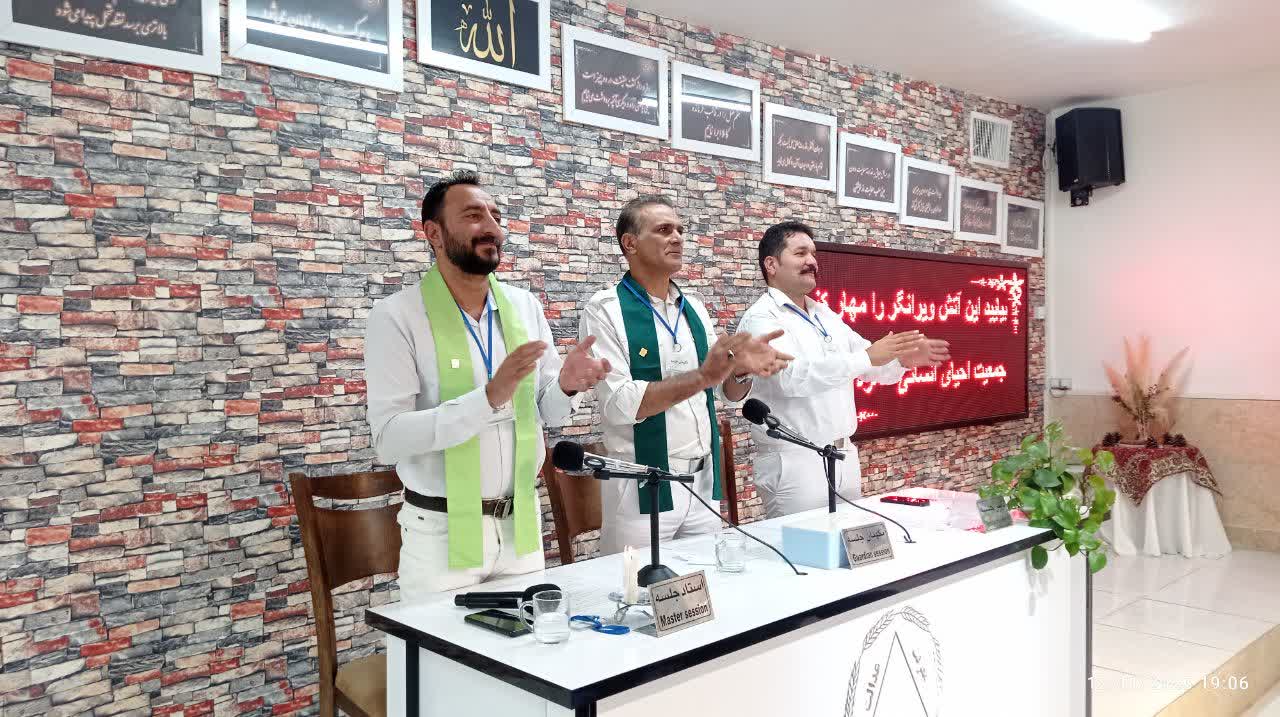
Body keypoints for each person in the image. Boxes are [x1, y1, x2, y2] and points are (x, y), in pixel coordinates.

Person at [365, 170, 611, 597]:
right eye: (474, 215)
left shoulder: (524, 306)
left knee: (529, 641)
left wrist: (566, 386)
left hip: (521, 529)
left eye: (496, 216)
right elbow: (389, 440)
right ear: (434, 233)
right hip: (440, 538)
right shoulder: (397, 316)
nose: (493, 228)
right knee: (441, 645)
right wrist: (488, 398)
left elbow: (546, 415)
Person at [579, 196, 791, 555]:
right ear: (630, 243)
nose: (677, 237)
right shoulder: (605, 310)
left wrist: (740, 370)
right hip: (643, 483)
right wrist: (703, 377)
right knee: (637, 586)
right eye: (664, 230)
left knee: (702, 582)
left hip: (702, 478)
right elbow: (621, 404)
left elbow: (726, 393)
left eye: (680, 230)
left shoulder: (693, 307)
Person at [737, 221, 951, 518]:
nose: (812, 261)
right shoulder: (762, 319)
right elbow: (792, 378)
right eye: (800, 253)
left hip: (843, 455)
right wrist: (867, 358)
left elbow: (869, 365)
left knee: (849, 540)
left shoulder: (824, 314)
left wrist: (901, 361)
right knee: (803, 544)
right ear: (771, 264)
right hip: (796, 461)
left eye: (813, 253)